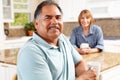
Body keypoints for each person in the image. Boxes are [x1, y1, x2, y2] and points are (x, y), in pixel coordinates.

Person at [17, 1, 96, 80]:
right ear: (36, 24)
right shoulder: (30, 52)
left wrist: (87, 76)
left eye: (58, 18)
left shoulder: (62, 39)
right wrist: (82, 78)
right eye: (48, 18)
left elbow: (78, 63)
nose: (55, 22)